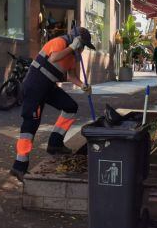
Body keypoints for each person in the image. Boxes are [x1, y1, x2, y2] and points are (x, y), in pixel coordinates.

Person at [10, 27, 96, 181]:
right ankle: (19, 166)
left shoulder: (72, 56)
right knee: (30, 124)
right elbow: (53, 59)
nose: (83, 49)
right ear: (76, 41)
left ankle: (55, 144)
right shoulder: (59, 42)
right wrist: (71, 48)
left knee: (70, 107)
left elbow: (71, 76)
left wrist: (83, 85)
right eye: (83, 45)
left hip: (48, 87)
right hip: (35, 86)